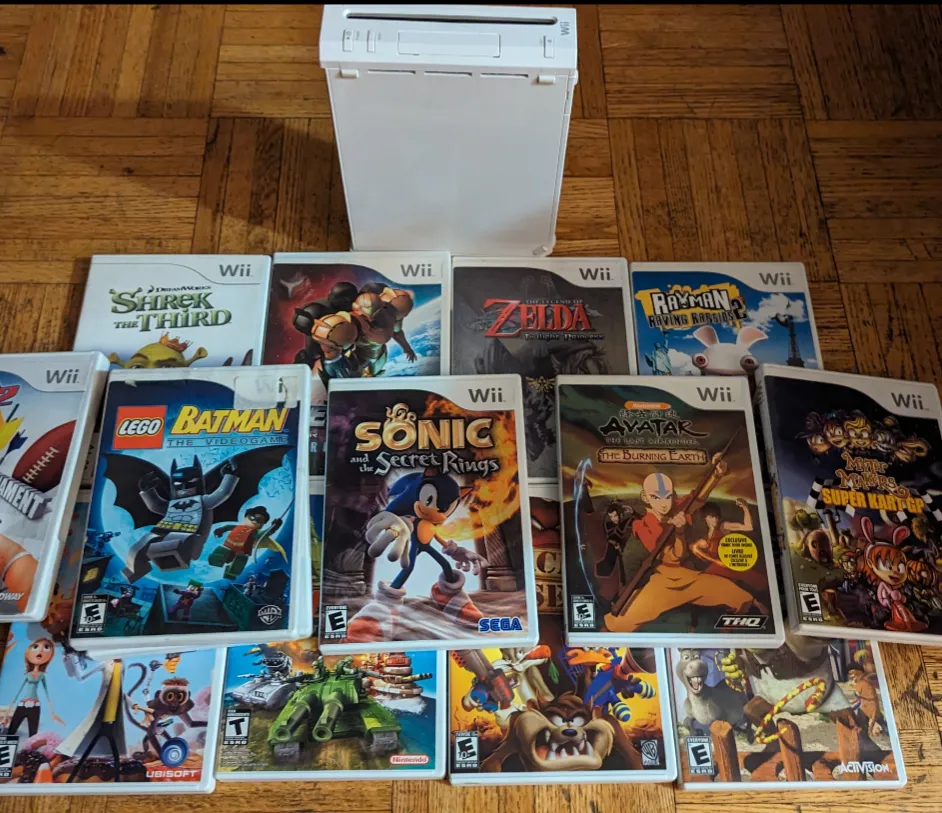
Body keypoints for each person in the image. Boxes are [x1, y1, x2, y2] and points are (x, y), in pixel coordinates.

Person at [2, 638, 63, 737]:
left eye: (46, 647)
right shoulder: (27, 674)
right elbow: (18, 693)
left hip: (35, 706)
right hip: (22, 705)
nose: (41, 650)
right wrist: (5, 715)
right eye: (35, 647)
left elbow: (47, 692)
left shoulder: (42, 675)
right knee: (11, 730)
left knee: (33, 734)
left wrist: (52, 713)